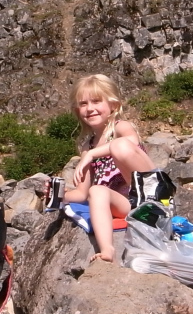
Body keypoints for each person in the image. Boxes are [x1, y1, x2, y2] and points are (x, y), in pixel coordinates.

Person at [51, 74, 156, 263]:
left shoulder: (121, 127)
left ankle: (157, 208)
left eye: (96, 101)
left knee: (119, 146)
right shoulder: (88, 146)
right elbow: (82, 194)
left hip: (150, 193)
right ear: (78, 110)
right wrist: (60, 195)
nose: (90, 108)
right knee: (96, 190)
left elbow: (131, 142)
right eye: (83, 104)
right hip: (127, 205)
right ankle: (107, 250)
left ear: (113, 105)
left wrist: (92, 155)